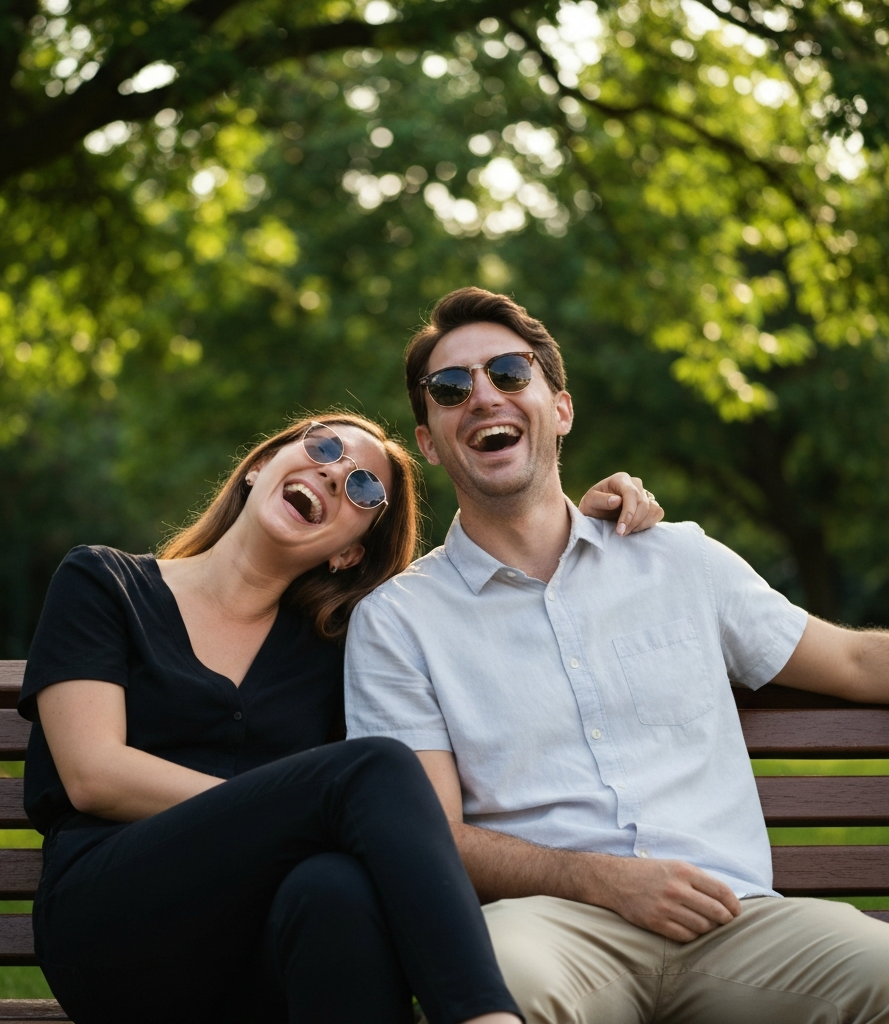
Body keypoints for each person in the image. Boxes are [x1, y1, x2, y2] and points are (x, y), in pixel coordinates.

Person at [344, 288, 889, 1024]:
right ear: (430, 442)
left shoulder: (679, 559)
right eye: (450, 388)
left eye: (509, 372)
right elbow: (429, 836)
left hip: (738, 922)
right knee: (498, 991)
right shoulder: (397, 622)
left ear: (561, 409)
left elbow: (855, 663)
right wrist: (600, 880)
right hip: (548, 928)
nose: (484, 396)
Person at [19, 410, 656, 1024]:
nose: (332, 473)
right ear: (260, 466)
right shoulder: (104, 583)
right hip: (112, 924)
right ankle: (483, 1016)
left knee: (337, 889)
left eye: (363, 487)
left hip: (262, 952)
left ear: (349, 554)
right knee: (372, 769)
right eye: (323, 447)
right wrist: (291, 807)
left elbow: (486, 636)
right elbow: (93, 774)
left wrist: (569, 527)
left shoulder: (337, 649)